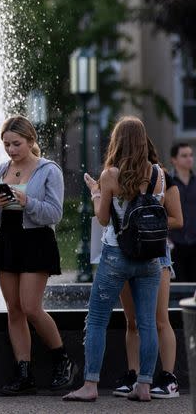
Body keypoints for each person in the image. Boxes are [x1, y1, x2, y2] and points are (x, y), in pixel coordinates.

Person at [64, 116, 164, 402]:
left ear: (117, 141)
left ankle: (90, 385)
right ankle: (144, 385)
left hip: (116, 254)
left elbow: (103, 217)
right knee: (147, 323)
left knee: (96, 319)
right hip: (150, 258)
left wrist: (96, 192)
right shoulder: (158, 173)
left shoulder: (110, 175)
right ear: (143, 141)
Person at [0, 116, 74, 395]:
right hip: (7, 239)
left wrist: (27, 201)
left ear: (31, 141)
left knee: (31, 306)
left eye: (16, 144)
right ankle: (24, 373)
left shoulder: (49, 170)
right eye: (7, 144)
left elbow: (54, 213)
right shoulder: (0, 171)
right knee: (14, 309)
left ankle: (62, 359)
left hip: (36, 241)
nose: (11, 150)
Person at [113, 138, 183, 399]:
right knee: (131, 321)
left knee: (159, 319)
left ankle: (168, 377)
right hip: (126, 255)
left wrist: (146, 223)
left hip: (156, 256)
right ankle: (133, 373)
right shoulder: (117, 177)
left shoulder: (162, 177)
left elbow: (178, 218)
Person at [168, 142, 196, 281]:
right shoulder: (168, 183)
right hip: (175, 245)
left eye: (191, 155)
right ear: (174, 160)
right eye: (184, 156)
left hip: (195, 242)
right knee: (177, 290)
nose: (189, 158)